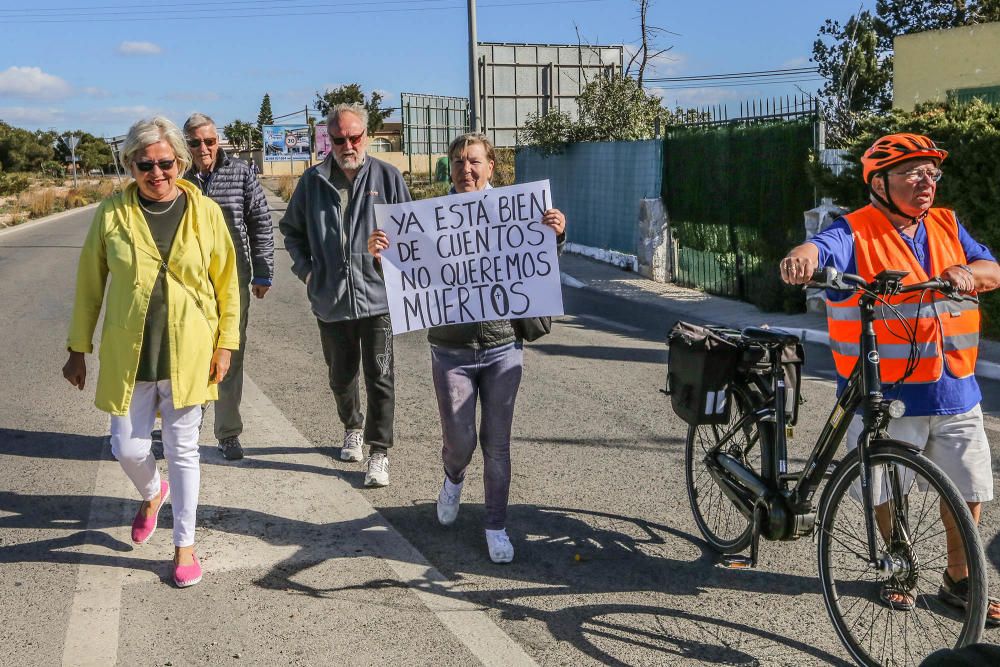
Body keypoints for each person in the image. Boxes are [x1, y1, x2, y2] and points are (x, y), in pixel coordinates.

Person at [780, 132, 1000, 623]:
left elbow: (992, 268)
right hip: (886, 390)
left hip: (954, 386)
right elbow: (818, 249)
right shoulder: (854, 229)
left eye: (932, 174)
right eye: (913, 174)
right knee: (883, 485)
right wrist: (802, 259)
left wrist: (968, 270)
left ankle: (959, 580)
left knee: (968, 487)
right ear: (879, 182)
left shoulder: (946, 224)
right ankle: (898, 563)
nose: (927, 183)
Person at [368, 133, 566, 563]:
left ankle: (495, 526)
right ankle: (453, 478)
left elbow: (535, 263)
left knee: (497, 444)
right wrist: (382, 255)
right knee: (460, 443)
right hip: (451, 352)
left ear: (491, 166)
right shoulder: (427, 221)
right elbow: (407, 279)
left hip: (502, 347)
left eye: (474, 161)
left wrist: (556, 235)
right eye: (458, 162)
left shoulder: (515, 213)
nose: (466, 169)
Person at [63, 116, 240, 588]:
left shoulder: (205, 212)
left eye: (165, 163)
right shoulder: (112, 214)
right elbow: (89, 285)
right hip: (131, 354)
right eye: (145, 164)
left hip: (190, 351)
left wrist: (227, 344)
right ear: (131, 165)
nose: (156, 173)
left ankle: (184, 546)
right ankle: (152, 490)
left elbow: (228, 283)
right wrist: (78, 348)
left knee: (184, 453)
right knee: (128, 447)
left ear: (180, 162)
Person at [279, 103, 410, 487]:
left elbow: (411, 232)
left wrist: (391, 255)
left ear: (366, 136)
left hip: (379, 299)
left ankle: (379, 452)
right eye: (339, 139)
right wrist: (307, 273)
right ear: (328, 140)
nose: (348, 144)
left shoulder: (387, 177)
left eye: (354, 137)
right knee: (341, 376)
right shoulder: (311, 182)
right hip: (331, 299)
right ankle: (352, 424)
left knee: (381, 376)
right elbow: (291, 231)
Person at [183, 112, 275, 461]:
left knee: (229, 354)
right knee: (190, 355)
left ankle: (228, 433)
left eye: (208, 140)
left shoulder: (239, 172)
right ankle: (186, 428)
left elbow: (260, 221)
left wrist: (263, 272)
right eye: (195, 142)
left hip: (232, 279)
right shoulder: (179, 177)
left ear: (217, 140)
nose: (203, 148)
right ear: (186, 144)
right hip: (189, 283)